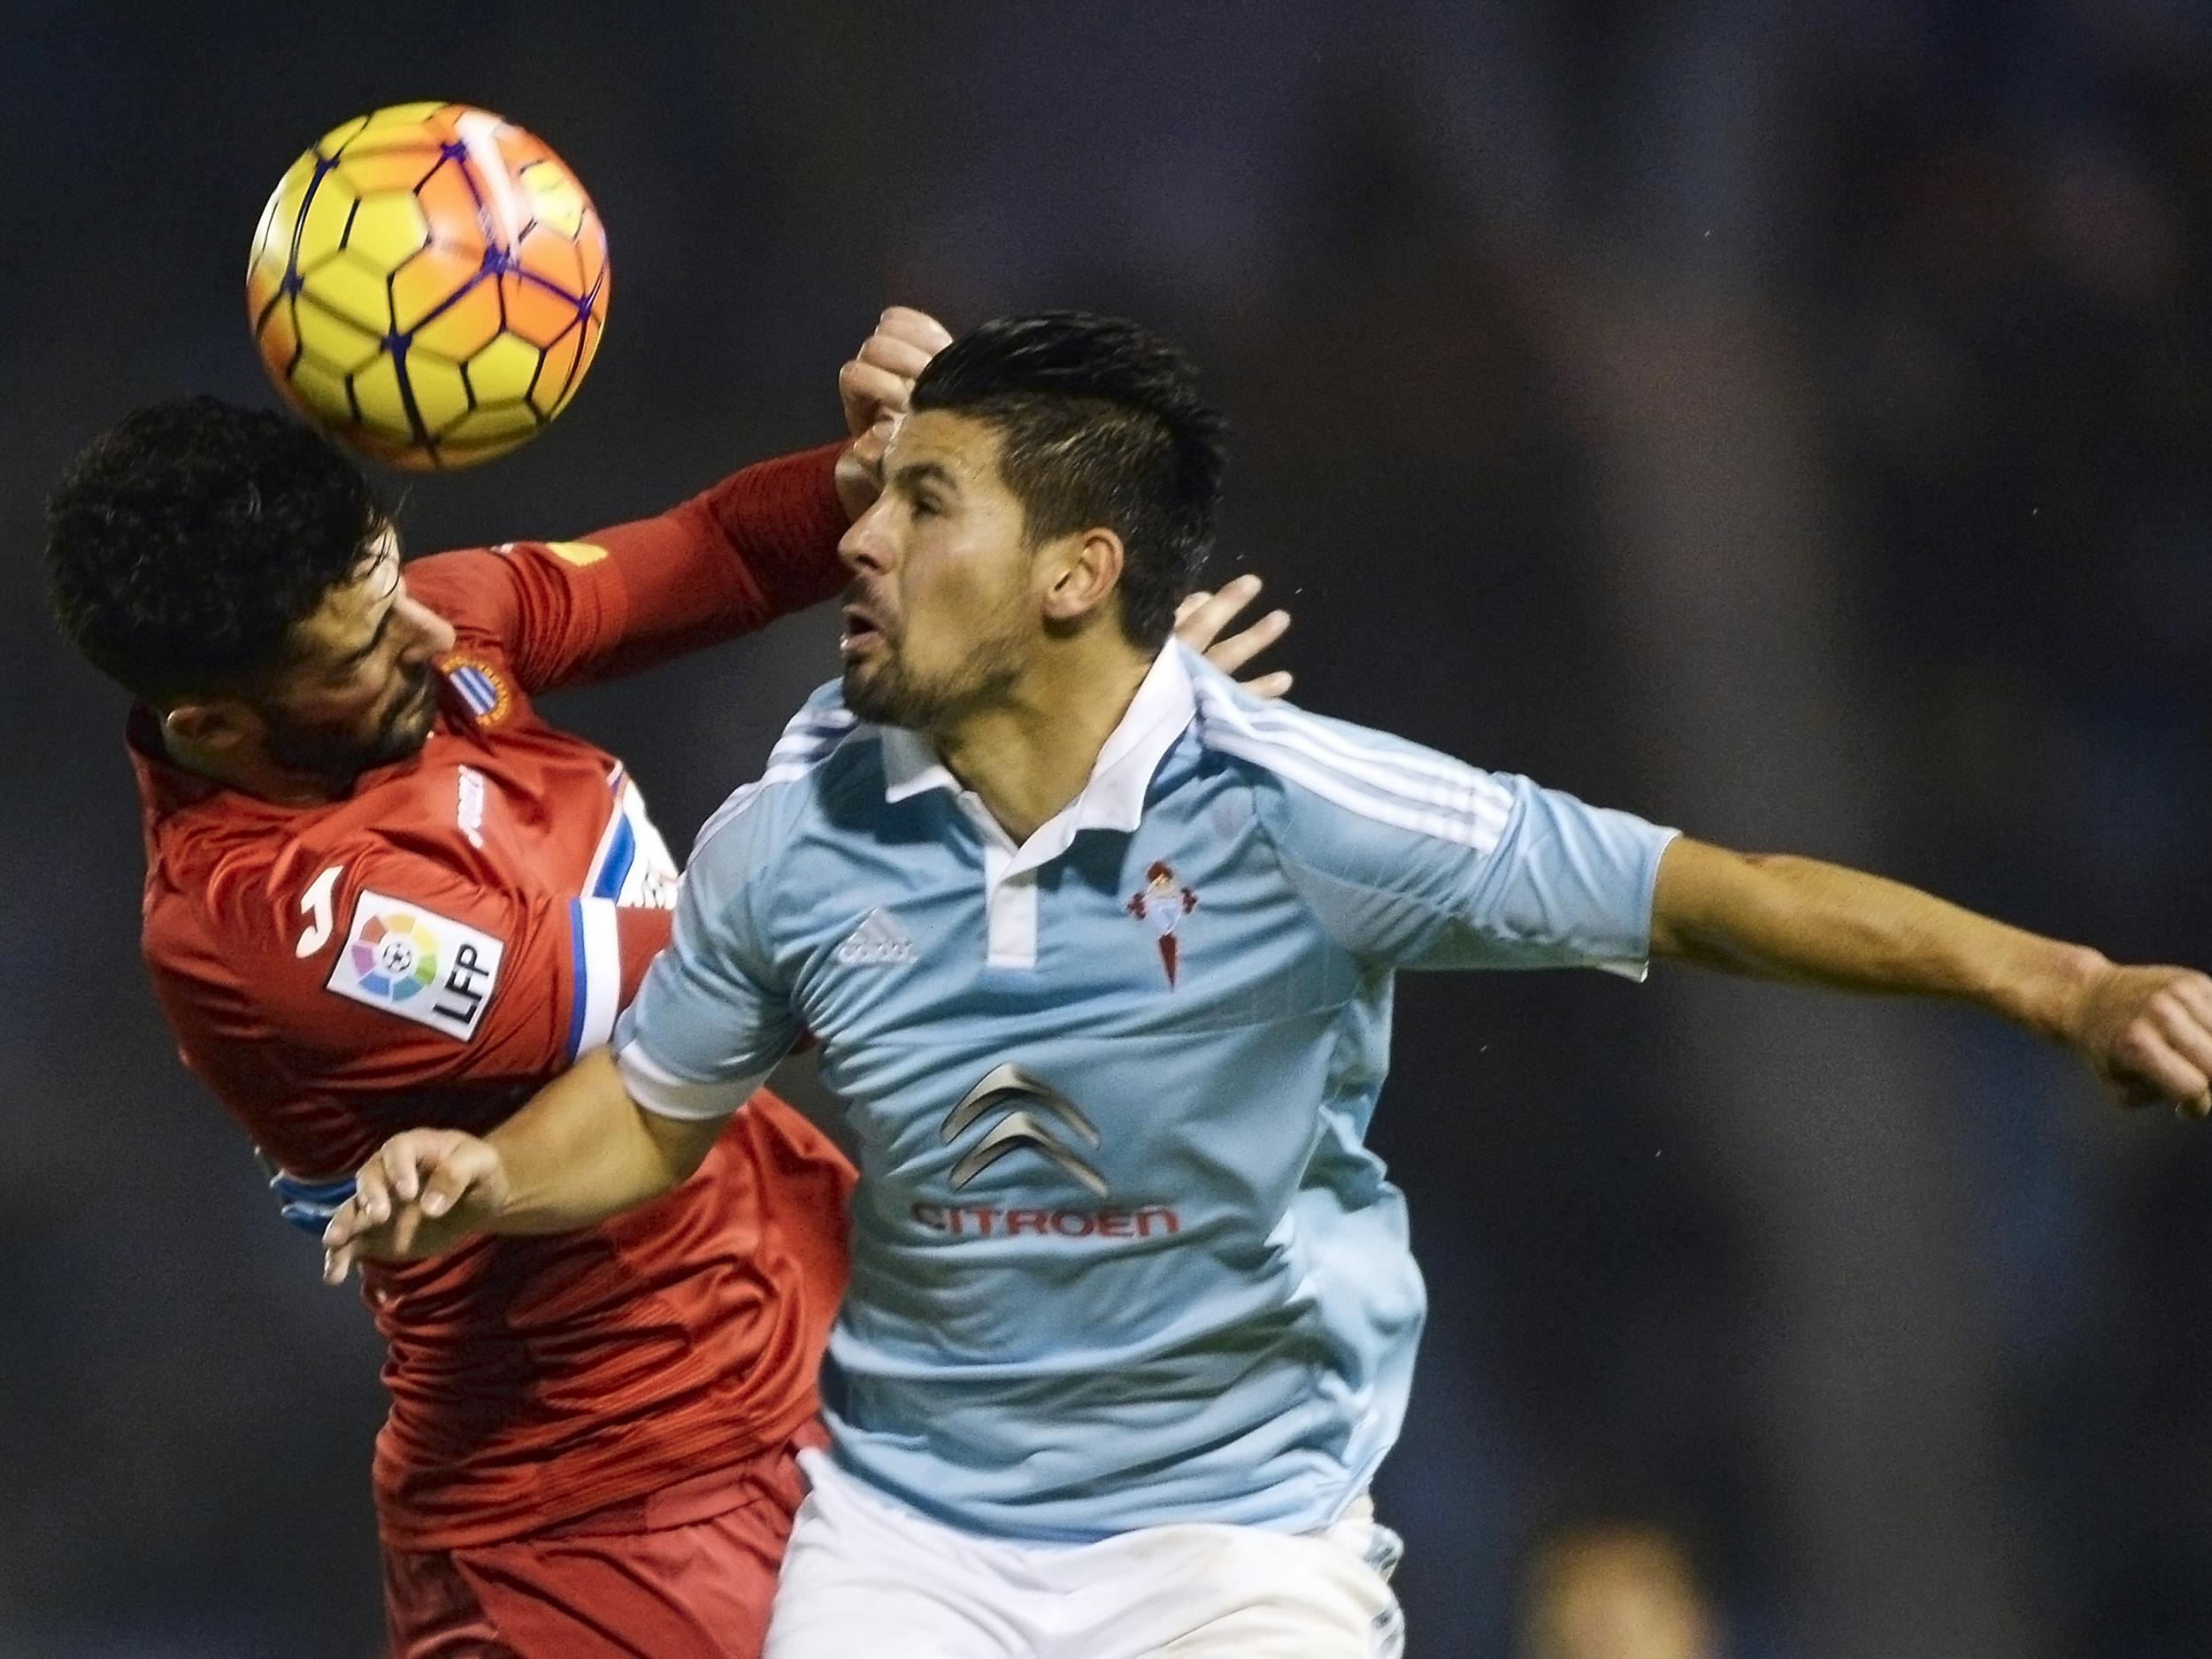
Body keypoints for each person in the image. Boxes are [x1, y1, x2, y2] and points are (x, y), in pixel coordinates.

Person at [324, 311, 2212, 1658]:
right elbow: (654, 1104)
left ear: (1075, 576)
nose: (859, 536)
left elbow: (1717, 895)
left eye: (919, 505)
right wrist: (484, 1177)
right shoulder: (794, 829)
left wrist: (2064, 987)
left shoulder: (1303, 808)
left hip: (1227, 1548)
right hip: (903, 1542)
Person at [42, 304, 1296, 1658]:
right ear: (215, 728)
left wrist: (874, 483)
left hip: (829, 1327)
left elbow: (717, 552)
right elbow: (731, 989)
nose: (424, 635)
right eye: (359, 652)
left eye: (393, 580)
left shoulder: (426, 634)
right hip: (605, 1513)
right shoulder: (269, 927)